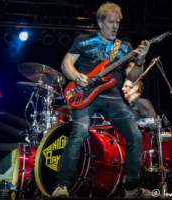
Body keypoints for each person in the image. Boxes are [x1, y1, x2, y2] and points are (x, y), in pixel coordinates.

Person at [52, 2, 153, 198]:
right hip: (84, 94)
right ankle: (61, 185)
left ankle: (132, 188)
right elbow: (66, 64)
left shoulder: (125, 47)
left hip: (112, 96)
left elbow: (132, 76)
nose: (115, 26)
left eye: (118, 22)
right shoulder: (83, 40)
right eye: (111, 22)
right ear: (100, 22)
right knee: (79, 132)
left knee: (135, 135)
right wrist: (76, 76)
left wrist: (140, 60)